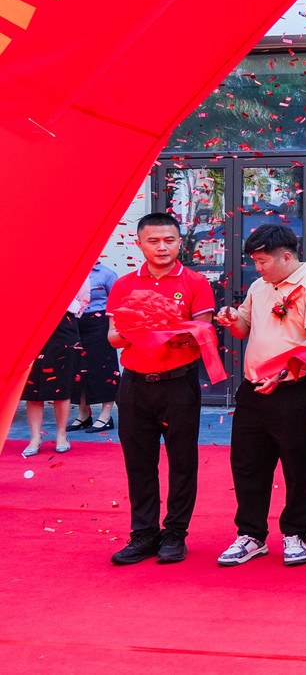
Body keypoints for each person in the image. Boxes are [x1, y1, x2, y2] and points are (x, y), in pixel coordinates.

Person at [213, 224, 306, 567]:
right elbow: (244, 328)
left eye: (262, 261)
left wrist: (283, 374)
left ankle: (295, 533)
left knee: (296, 465)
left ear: (286, 257)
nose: (258, 268)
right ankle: (251, 534)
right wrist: (231, 319)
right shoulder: (259, 286)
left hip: (293, 389)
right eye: (255, 261)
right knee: (247, 462)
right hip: (253, 387)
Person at [105, 213, 216, 565]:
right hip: (135, 384)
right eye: (153, 241)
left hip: (178, 384)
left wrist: (171, 329)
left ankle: (175, 533)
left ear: (180, 242)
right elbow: (113, 337)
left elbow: (203, 334)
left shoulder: (196, 282)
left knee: (182, 461)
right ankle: (143, 533)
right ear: (139, 244)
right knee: (139, 462)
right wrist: (141, 328)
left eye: (169, 240)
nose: (162, 247)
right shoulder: (124, 285)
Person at [20, 285, 87, 458]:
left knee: (62, 382)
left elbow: (83, 295)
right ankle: (35, 437)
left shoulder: (70, 271)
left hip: (63, 323)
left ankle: (61, 434)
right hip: (32, 321)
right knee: (33, 385)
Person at [71, 261, 121, 433]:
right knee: (78, 369)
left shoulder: (107, 274)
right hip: (75, 323)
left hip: (100, 324)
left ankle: (106, 416)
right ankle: (83, 414)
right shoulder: (72, 272)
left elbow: (117, 302)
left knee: (103, 367)